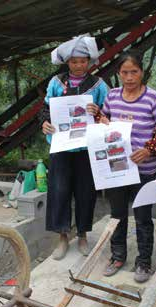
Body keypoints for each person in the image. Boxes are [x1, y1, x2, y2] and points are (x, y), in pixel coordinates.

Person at [100, 50, 156, 283]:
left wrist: (149, 149)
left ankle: (143, 262)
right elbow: (103, 122)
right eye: (124, 72)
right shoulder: (112, 96)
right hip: (117, 168)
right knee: (118, 214)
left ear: (141, 72)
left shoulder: (153, 98)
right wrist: (100, 120)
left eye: (134, 72)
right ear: (119, 73)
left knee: (142, 217)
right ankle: (117, 256)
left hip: (144, 169)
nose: (129, 77)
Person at [40, 35, 109, 260]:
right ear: (67, 63)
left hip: (87, 148)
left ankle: (82, 235)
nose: (78, 65)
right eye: (73, 61)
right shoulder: (56, 83)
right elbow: (45, 109)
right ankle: (62, 237)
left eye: (82, 61)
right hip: (61, 147)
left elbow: (108, 114)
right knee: (59, 191)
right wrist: (45, 122)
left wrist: (97, 112)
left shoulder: (98, 85)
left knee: (85, 191)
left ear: (89, 62)